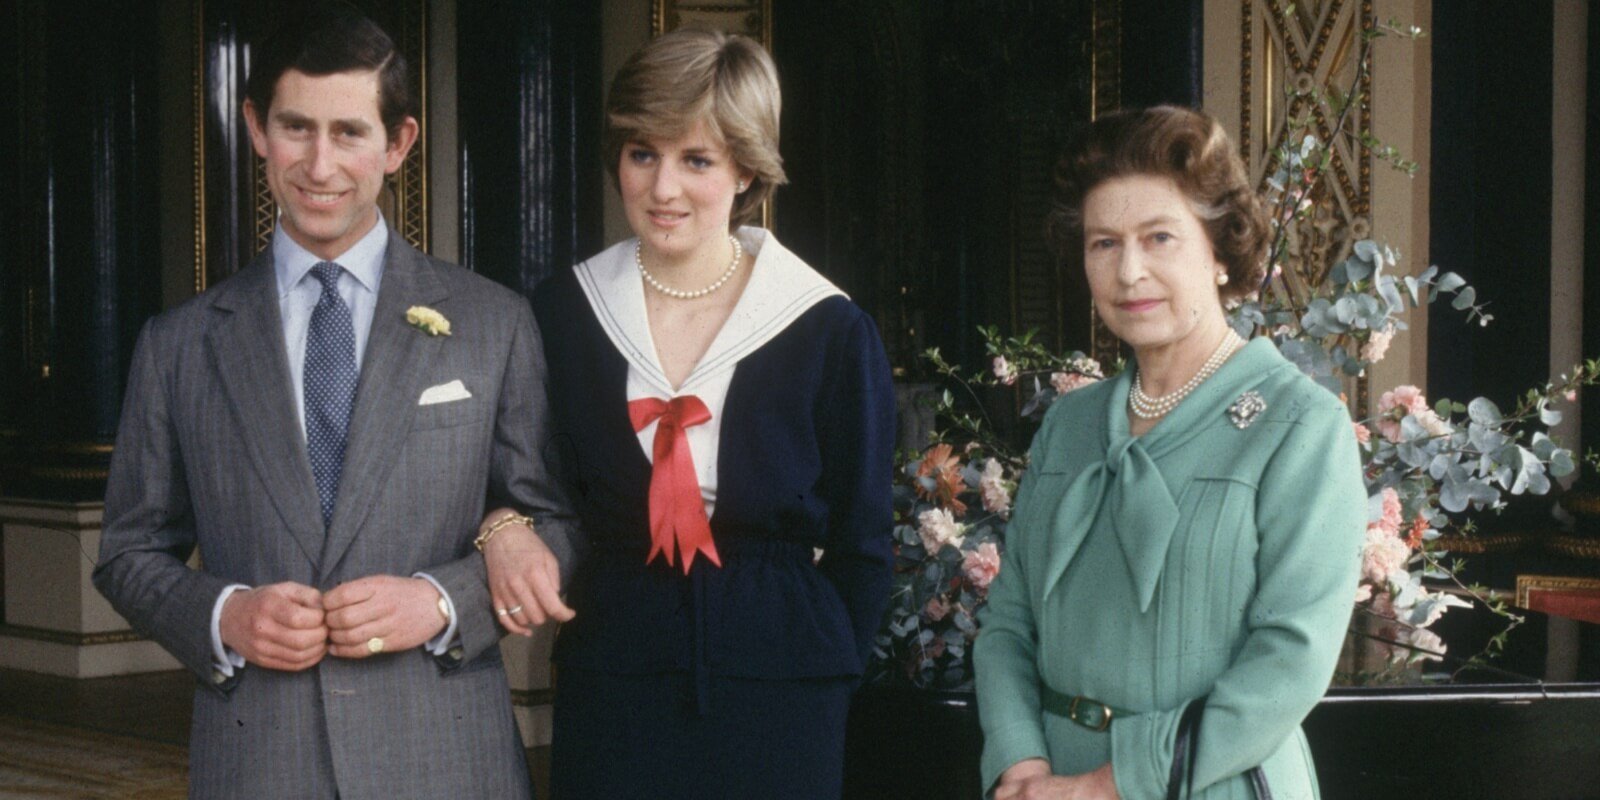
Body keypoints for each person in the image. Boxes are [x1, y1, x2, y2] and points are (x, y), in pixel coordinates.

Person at [93, 7, 571, 797]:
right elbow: (127, 555)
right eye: (296, 128)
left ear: (398, 143)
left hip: (448, 761)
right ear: (255, 128)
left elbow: (555, 523)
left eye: (349, 132)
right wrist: (224, 617)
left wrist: (442, 601)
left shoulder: (494, 323)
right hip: (258, 763)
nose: (319, 164)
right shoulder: (176, 345)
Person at [475, 27, 896, 799]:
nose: (663, 188)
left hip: (784, 687)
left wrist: (823, 666)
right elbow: (526, 483)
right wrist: (504, 527)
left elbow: (865, 543)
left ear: (746, 169)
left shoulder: (828, 327)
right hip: (616, 674)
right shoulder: (564, 313)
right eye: (643, 154)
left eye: (695, 159)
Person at [974, 106, 1366, 800]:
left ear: (1220, 253)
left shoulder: (1301, 427)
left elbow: (1290, 663)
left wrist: (1109, 784)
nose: (1130, 272)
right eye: (1103, 244)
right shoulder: (1069, 423)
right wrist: (1022, 764)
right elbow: (1008, 624)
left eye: (1160, 238)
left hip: (1213, 785)